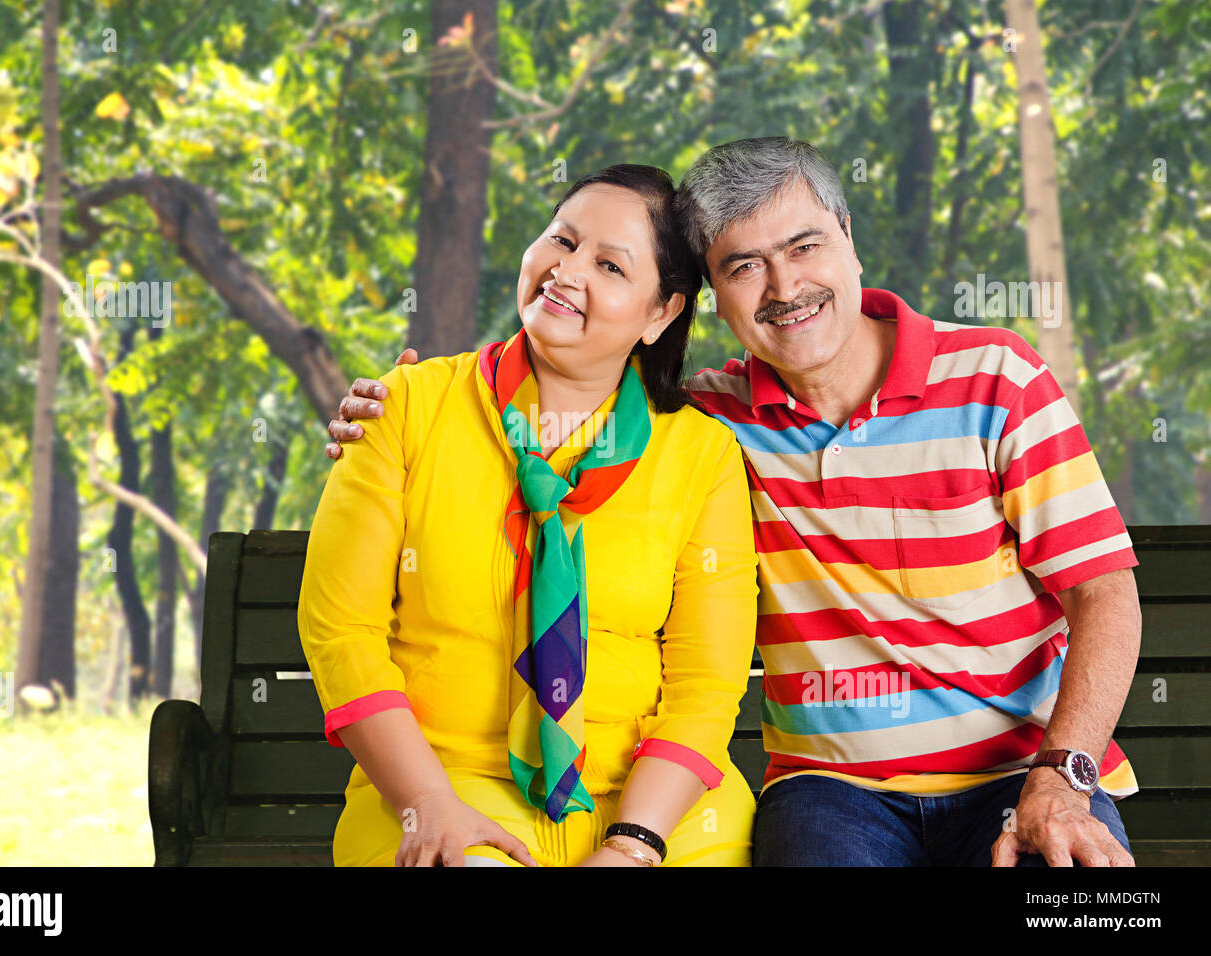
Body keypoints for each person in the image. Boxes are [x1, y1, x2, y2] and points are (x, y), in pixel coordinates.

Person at [329, 137, 1142, 867]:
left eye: (803, 246)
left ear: (850, 239)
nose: (784, 287)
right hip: (836, 794)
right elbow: (567, 391)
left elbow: (1104, 592)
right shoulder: (711, 423)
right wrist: (403, 407)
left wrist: (1062, 775)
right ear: (707, 295)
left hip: (1024, 771)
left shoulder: (997, 379)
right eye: (742, 266)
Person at [298, 164, 760, 867]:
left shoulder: (701, 455)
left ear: (660, 312)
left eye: (609, 265)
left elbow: (706, 685)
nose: (566, 273)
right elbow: (341, 631)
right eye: (561, 241)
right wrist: (430, 803)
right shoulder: (408, 408)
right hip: (444, 787)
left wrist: (633, 847)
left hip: (656, 806)